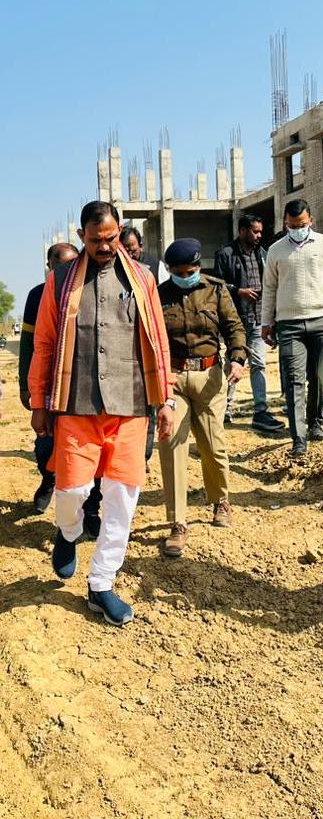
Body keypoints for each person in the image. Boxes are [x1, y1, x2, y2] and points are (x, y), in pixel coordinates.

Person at [28, 201, 174, 626]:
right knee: (71, 492)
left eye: (111, 238)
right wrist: (39, 402)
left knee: (122, 500)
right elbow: (44, 344)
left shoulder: (143, 278)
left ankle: (102, 584)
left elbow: (158, 340)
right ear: (82, 238)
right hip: (77, 403)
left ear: (119, 230)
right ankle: (69, 532)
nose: (105, 247)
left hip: (131, 404)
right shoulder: (59, 283)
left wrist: (165, 399)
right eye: (96, 240)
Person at [157, 238, 248, 558]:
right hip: (173, 379)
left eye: (191, 271)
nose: (185, 276)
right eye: (179, 272)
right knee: (172, 446)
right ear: (170, 271)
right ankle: (177, 522)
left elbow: (234, 327)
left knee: (213, 444)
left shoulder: (216, 290)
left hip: (209, 377)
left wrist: (237, 358)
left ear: (199, 266)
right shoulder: (159, 295)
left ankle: (220, 500)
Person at [19, 242, 105, 527]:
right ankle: (48, 479)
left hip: (84, 387)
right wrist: (26, 386)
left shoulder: (90, 287)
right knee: (46, 447)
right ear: (50, 267)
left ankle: (91, 509)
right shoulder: (37, 295)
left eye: (73, 263)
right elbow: (30, 345)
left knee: (90, 451)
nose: (69, 270)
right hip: (49, 384)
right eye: (62, 265)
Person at [261, 199, 323, 457]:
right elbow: (269, 288)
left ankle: (315, 423)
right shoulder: (275, 250)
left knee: (318, 377)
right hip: (289, 325)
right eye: (292, 225)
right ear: (285, 223)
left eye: (301, 224)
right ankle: (298, 438)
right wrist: (267, 322)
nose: (297, 229)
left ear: (311, 220)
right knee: (294, 381)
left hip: (322, 320)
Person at [214, 215, 284, 433]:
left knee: (259, 364)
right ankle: (225, 408)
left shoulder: (263, 254)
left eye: (261, 231)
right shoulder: (225, 254)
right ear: (242, 231)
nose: (259, 235)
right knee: (233, 363)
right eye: (255, 231)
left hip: (258, 319)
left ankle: (260, 411)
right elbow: (218, 286)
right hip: (235, 321)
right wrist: (239, 291)